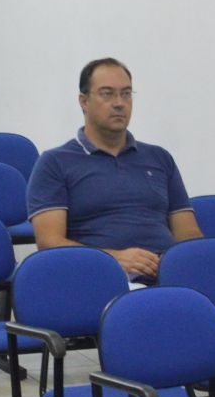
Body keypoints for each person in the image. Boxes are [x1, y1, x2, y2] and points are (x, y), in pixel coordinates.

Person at [27, 57, 204, 283]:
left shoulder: (159, 158)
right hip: (100, 277)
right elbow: (50, 242)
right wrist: (113, 259)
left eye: (126, 93)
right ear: (84, 101)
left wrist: (180, 264)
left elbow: (187, 233)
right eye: (107, 93)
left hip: (167, 274)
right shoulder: (55, 162)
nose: (119, 102)